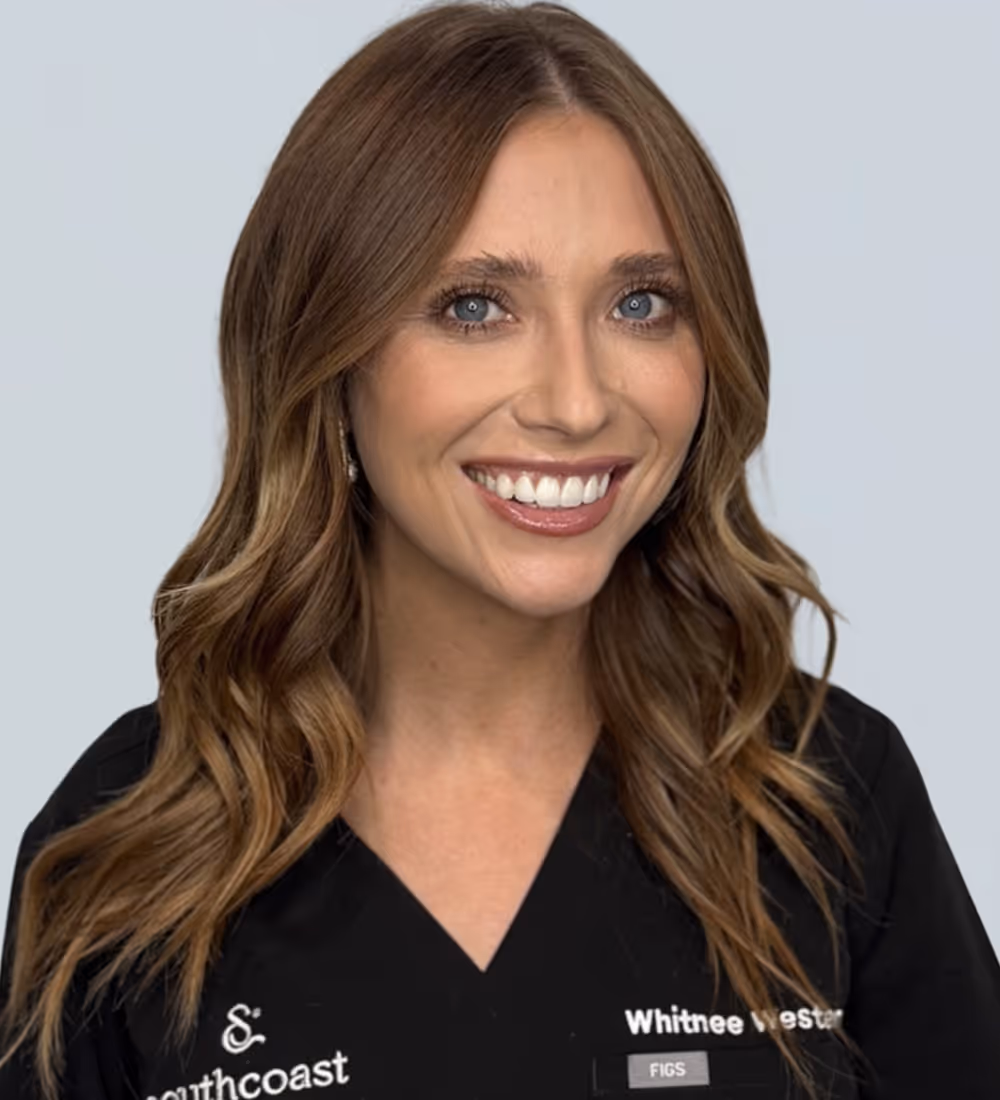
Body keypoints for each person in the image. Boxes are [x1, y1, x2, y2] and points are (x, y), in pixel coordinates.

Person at [2, 2, 998, 1098]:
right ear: (324, 357)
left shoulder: (832, 802)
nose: (576, 401)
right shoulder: (126, 847)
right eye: (475, 306)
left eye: (641, 302)